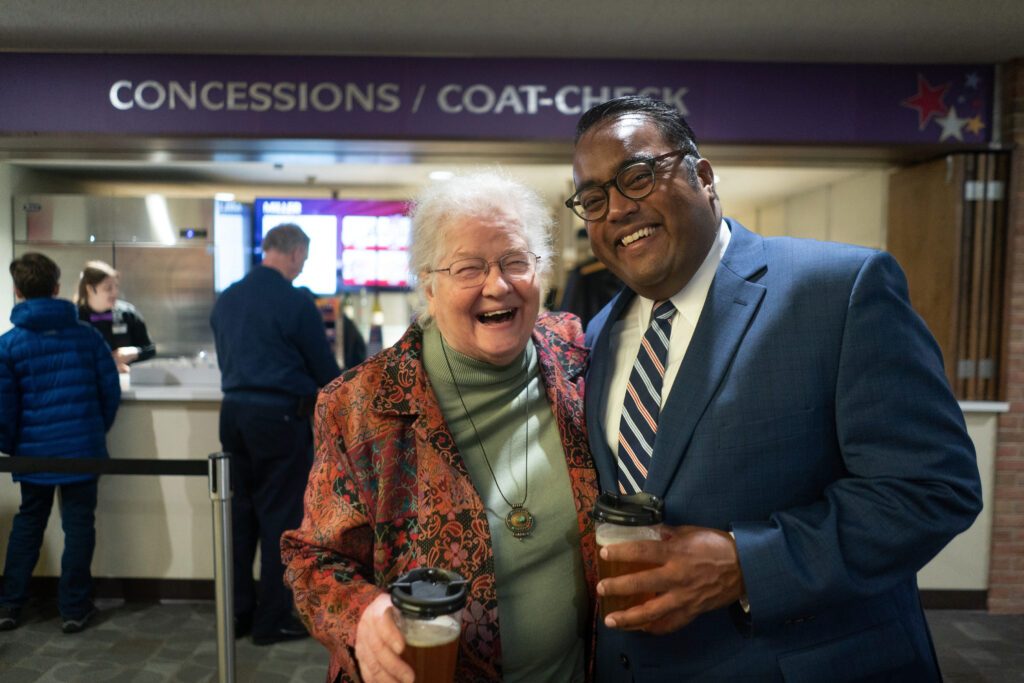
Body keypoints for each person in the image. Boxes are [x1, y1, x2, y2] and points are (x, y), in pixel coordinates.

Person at [565, 96, 983, 681]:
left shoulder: (839, 291)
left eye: (637, 177)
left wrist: (745, 563)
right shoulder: (599, 332)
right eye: (592, 198)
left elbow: (934, 489)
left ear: (703, 175)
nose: (615, 210)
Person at [281, 172, 598, 683]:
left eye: (515, 261)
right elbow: (313, 560)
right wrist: (362, 614)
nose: (497, 285)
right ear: (427, 284)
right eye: (468, 267)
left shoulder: (576, 358)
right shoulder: (361, 405)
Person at [211, 224, 342, 645]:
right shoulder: (296, 302)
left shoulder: (227, 298)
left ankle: (236, 615)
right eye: (303, 257)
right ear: (294, 252)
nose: (302, 265)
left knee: (240, 515)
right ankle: (272, 621)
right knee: (279, 518)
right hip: (278, 420)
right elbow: (325, 370)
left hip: (232, 414)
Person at [0, 253, 121, 634]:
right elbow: (110, 391)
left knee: (28, 524)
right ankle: (74, 607)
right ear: (56, 288)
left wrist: (13, 447)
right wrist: (94, 430)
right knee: (80, 525)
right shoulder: (87, 336)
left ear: (17, 291)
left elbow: (3, 408)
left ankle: (9, 605)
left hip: (32, 453)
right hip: (82, 449)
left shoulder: (8, 345)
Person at [76, 260, 155, 373]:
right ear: (90, 289)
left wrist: (133, 352)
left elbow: (150, 349)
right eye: (108, 288)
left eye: (116, 287)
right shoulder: (74, 318)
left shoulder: (128, 314)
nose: (115, 292)